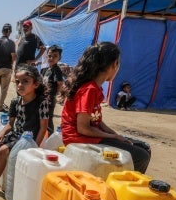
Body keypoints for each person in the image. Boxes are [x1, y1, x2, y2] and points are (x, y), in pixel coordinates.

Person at [60, 42, 151, 174]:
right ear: (114, 64)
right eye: (118, 63)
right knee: (141, 156)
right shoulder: (89, 90)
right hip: (79, 138)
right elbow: (83, 128)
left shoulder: (95, 88)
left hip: (88, 135)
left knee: (144, 147)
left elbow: (97, 121)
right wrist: (113, 137)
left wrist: (115, 135)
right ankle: (121, 186)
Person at [0, 64, 49, 196]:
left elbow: (43, 127)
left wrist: (34, 146)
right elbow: (10, 125)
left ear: (35, 84)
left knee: (3, 150)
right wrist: (0, 135)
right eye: (17, 82)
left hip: (27, 139)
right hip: (16, 135)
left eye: (25, 81)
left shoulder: (41, 102)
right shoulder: (15, 101)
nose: (20, 85)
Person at [0, 23, 16, 112]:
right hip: (7, 68)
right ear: (9, 32)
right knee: (4, 90)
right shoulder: (11, 43)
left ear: (2, 31)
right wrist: (12, 64)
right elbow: (13, 55)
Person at [42, 45, 64, 134]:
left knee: (48, 118)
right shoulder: (47, 70)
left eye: (55, 56)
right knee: (43, 117)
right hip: (43, 98)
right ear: (47, 56)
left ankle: (50, 135)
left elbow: (60, 83)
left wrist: (54, 95)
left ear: (59, 58)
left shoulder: (56, 70)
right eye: (50, 56)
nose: (52, 58)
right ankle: (44, 135)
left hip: (49, 99)